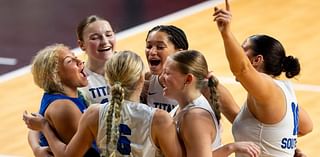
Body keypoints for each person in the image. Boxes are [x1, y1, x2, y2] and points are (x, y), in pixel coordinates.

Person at [23, 50, 183, 157]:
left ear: (108, 79)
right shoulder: (160, 119)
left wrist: (43, 129)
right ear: (141, 79)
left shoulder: (93, 113)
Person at [213, 0, 313, 156]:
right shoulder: (282, 90)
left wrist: (226, 33)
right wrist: (212, 85)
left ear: (257, 60)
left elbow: (242, 69)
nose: (237, 54)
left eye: (242, 50)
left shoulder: (269, 88)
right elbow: (306, 127)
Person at [160, 50, 260, 157]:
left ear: (188, 79)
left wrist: (230, 148)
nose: (161, 78)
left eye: (167, 73)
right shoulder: (187, 106)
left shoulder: (194, 118)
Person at [27, 44, 100, 156]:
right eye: (70, 61)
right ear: (55, 75)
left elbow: (35, 127)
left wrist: (36, 147)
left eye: (75, 56)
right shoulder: (63, 106)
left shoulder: (61, 96)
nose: (79, 61)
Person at [142, 25, 189, 112]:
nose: (152, 52)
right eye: (149, 46)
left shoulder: (196, 85)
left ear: (179, 53)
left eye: (160, 47)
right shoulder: (146, 81)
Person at [77, 15, 115, 105]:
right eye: (95, 38)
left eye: (108, 35)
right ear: (82, 45)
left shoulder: (131, 66)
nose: (105, 41)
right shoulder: (79, 82)